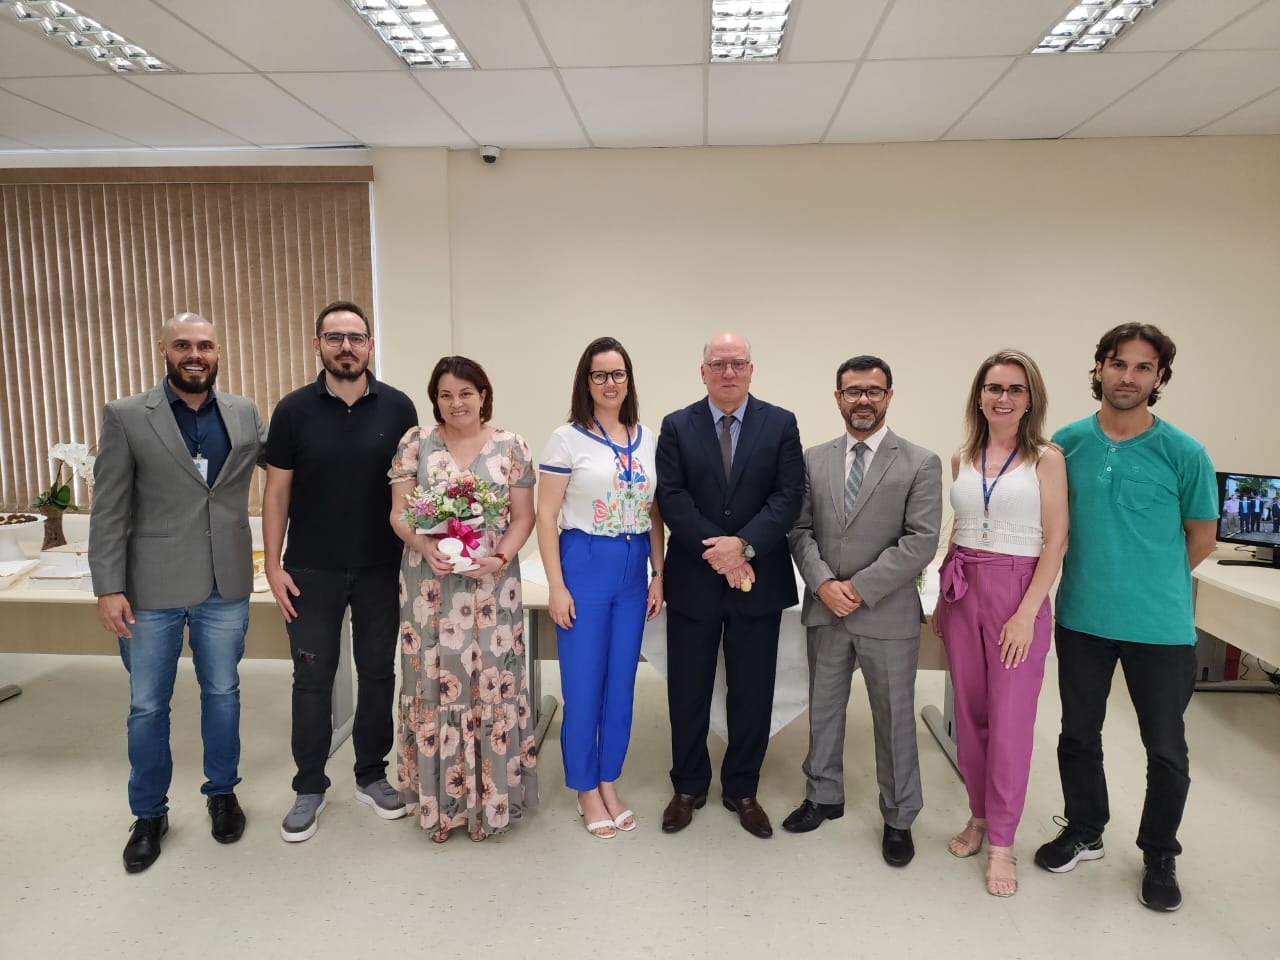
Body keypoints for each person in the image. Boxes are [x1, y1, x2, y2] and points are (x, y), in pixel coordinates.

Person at [1034, 323, 1217, 913]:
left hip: (1161, 629)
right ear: (1098, 370)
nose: (1128, 377)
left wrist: (1150, 581)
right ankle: (1085, 829)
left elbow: (1202, 535)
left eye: (1142, 368)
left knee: (1165, 748)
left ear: (1159, 377)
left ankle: (1159, 852)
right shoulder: (1064, 445)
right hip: (1083, 619)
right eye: (1117, 364)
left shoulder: (1183, 452)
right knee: (1078, 736)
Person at [89, 312, 266, 874]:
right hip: (150, 588)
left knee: (224, 693)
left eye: (207, 345)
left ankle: (221, 792)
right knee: (146, 707)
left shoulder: (242, 412)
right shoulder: (125, 415)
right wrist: (109, 585)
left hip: (225, 584)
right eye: (184, 345)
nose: (196, 354)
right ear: (162, 348)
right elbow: (109, 506)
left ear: (219, 351)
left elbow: (288, 470)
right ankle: (148, 814)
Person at [262, 301, 419, 842]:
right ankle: (308, 785)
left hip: (381, 567)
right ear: (318, 345)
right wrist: (273, 566)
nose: (346, 347)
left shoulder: (399, 408)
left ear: (370, 344)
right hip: (309, 570)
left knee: (379, 673)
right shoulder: (293, 410)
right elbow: (275, 492)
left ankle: (371, 775)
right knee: (312, 680)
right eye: (335, 337)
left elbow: (414, 492)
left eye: (356, 337)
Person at [785, 356, 942, 867]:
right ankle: (823, 794)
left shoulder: (920, 462)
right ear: (837, 398)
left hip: (885, 613)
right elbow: (799, 530)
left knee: (895, 718)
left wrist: (858, 587)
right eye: (853, 392)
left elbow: (921, 541)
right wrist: (825, 584)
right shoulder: (813, 459)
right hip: (826, 608)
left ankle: (899, 817)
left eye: (873, 391)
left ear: (889, 396)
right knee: (824, 709)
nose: (863, 401)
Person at [655, 332, 804, 839]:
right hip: (695, 579)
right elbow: (672, 498)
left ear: (751, 369)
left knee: (751, 689)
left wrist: (742, 547)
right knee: (688, 689)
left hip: (758, 579)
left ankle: (743, 787)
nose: (728, 371)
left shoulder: (780, 423)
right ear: (703, 372)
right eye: (718, 363)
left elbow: (788, 497)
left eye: (737, 362)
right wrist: (719, 551)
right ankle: (688, 786)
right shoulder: (677, 426)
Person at [932, 350, 1068, 896]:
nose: (1002, 398)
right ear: (979, 395)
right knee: (969, 713)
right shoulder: (961, 456)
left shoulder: (1047, 458)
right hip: (963, 585)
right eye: (993, 388)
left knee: (1009, 720)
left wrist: (1027, 614)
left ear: (1030, 398)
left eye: (1014, 389)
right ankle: (980, 816)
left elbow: (1055, 540)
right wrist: (944, 598)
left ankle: (1004, 843)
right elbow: (960, 525)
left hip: (1018, 590)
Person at [388, 356, 537, 842]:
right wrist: (423, 545)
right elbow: (400, 514)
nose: (457, 403)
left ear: (484, 395)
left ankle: (491, 801)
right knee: (434, 684)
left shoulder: (511, 447)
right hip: (431, 587)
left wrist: (500, 557)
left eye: (466, 393)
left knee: (491, 686)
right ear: (436, 398)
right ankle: (441, 803)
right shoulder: (416, 443)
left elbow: (522, 518)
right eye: (447, 394)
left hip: (493, 587)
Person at [536, 337, 665, 838]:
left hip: (633, 567)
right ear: (585, 382)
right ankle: (584, 788)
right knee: (584, 682)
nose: (610, 383)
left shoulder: (645, 436)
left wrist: (660, 572)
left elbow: (655, 511)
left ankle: (609, 778)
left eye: (618, 374)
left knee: (621, 685)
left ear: (628, 380)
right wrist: (557, 585)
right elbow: (547, 515)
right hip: (585, 563)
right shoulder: (566, 439)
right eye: (599, 375)